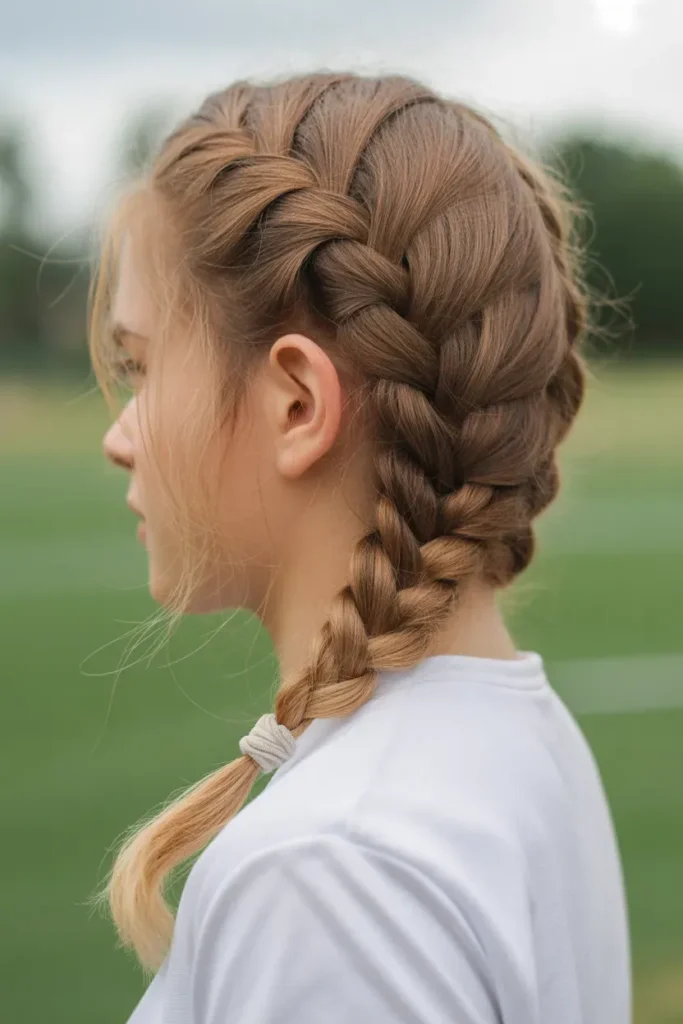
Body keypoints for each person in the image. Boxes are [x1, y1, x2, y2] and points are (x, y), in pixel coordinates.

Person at [93, 71, 631, 1023]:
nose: (118, 434)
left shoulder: (325, 871)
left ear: (297, 405)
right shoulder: (517, 735)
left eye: (142, 365)